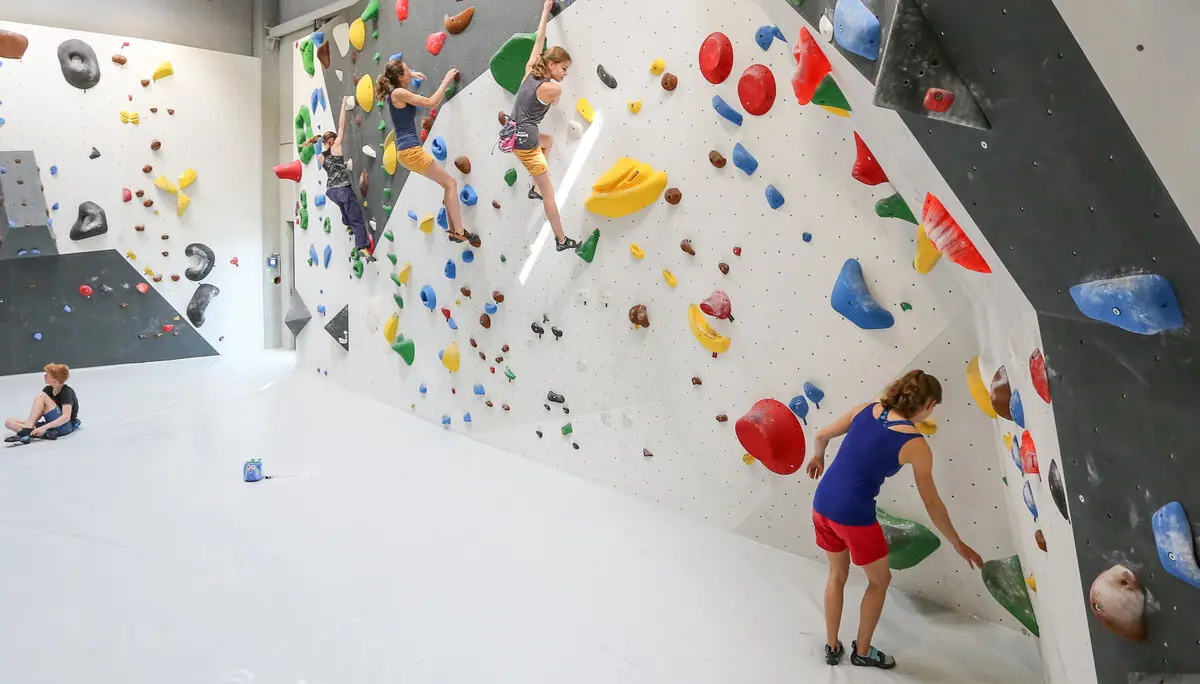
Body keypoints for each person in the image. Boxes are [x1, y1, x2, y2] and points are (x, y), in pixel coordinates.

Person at [805, 369, 983, 670]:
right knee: (880, 580)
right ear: (927, 405)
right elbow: (931, 502)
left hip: (822, 505)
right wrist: (957, 542)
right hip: (853, 516)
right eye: (934, 405)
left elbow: (820, 435)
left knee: (837, 575)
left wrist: (817, 457)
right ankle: (862, 651)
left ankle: (832, 646)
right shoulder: (916, 445)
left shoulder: (865, 409)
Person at [502, 0, 579, 252]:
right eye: (564, 68)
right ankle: (560, 239)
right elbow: (556, 101)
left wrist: (545, 11)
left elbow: (539, 40)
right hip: (525, 142)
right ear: (551, 65)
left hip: (513, 134)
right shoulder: (552, 88)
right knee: (550, 193)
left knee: (549, 142)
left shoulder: (529, 71)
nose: (565, 73)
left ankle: (534, 188)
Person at [377, 59, 479, 246]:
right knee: (450, 184)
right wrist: (447, 79)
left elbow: (404, 86)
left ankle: (454, 230)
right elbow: (432, 103)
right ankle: (459, 231)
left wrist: (411, 75)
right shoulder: (399, 93)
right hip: (410, 151)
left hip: (407, 152)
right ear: (400, 77)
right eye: (408, 70)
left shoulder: (397, 92)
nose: (411, 71)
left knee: (447, 185)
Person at [314, 97, 375, 262]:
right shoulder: (336, 146)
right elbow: (342, 126)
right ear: (331, 141)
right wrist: (342, 105)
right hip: (343, 189)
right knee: (356, 217)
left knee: (344, 210)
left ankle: (347, 226)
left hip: (331, 191)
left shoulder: (320, 156)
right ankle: (362, 247)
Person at [4, 363, 82, 445]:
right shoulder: (47, 389)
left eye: (47, 375)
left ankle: (27, 431)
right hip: (52, 425)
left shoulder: (67, 392)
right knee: (9, 422)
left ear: (54, 380)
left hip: (65, 425)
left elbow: (66, 417)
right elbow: (39, 412)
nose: (44, 376)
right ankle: (45, 434)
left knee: (41, 396)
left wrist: (44, 427)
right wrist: (34, 425)